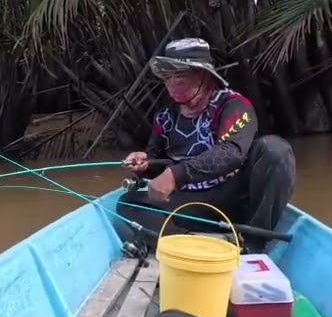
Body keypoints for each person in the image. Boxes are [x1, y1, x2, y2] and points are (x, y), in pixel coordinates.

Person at [118, 37, 296, 254]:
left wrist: (176, 175)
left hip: (234, 199)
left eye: (180, 77)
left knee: (275, 150)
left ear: (204, 75)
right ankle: (187, 246)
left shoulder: (235, 105)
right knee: (128, 202)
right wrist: (144, 163)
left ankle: (253, 244)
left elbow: (231, 152)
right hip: (190, 205)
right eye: (167, 78)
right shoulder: (164, 117)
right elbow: (156, 161)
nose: (172, 85)